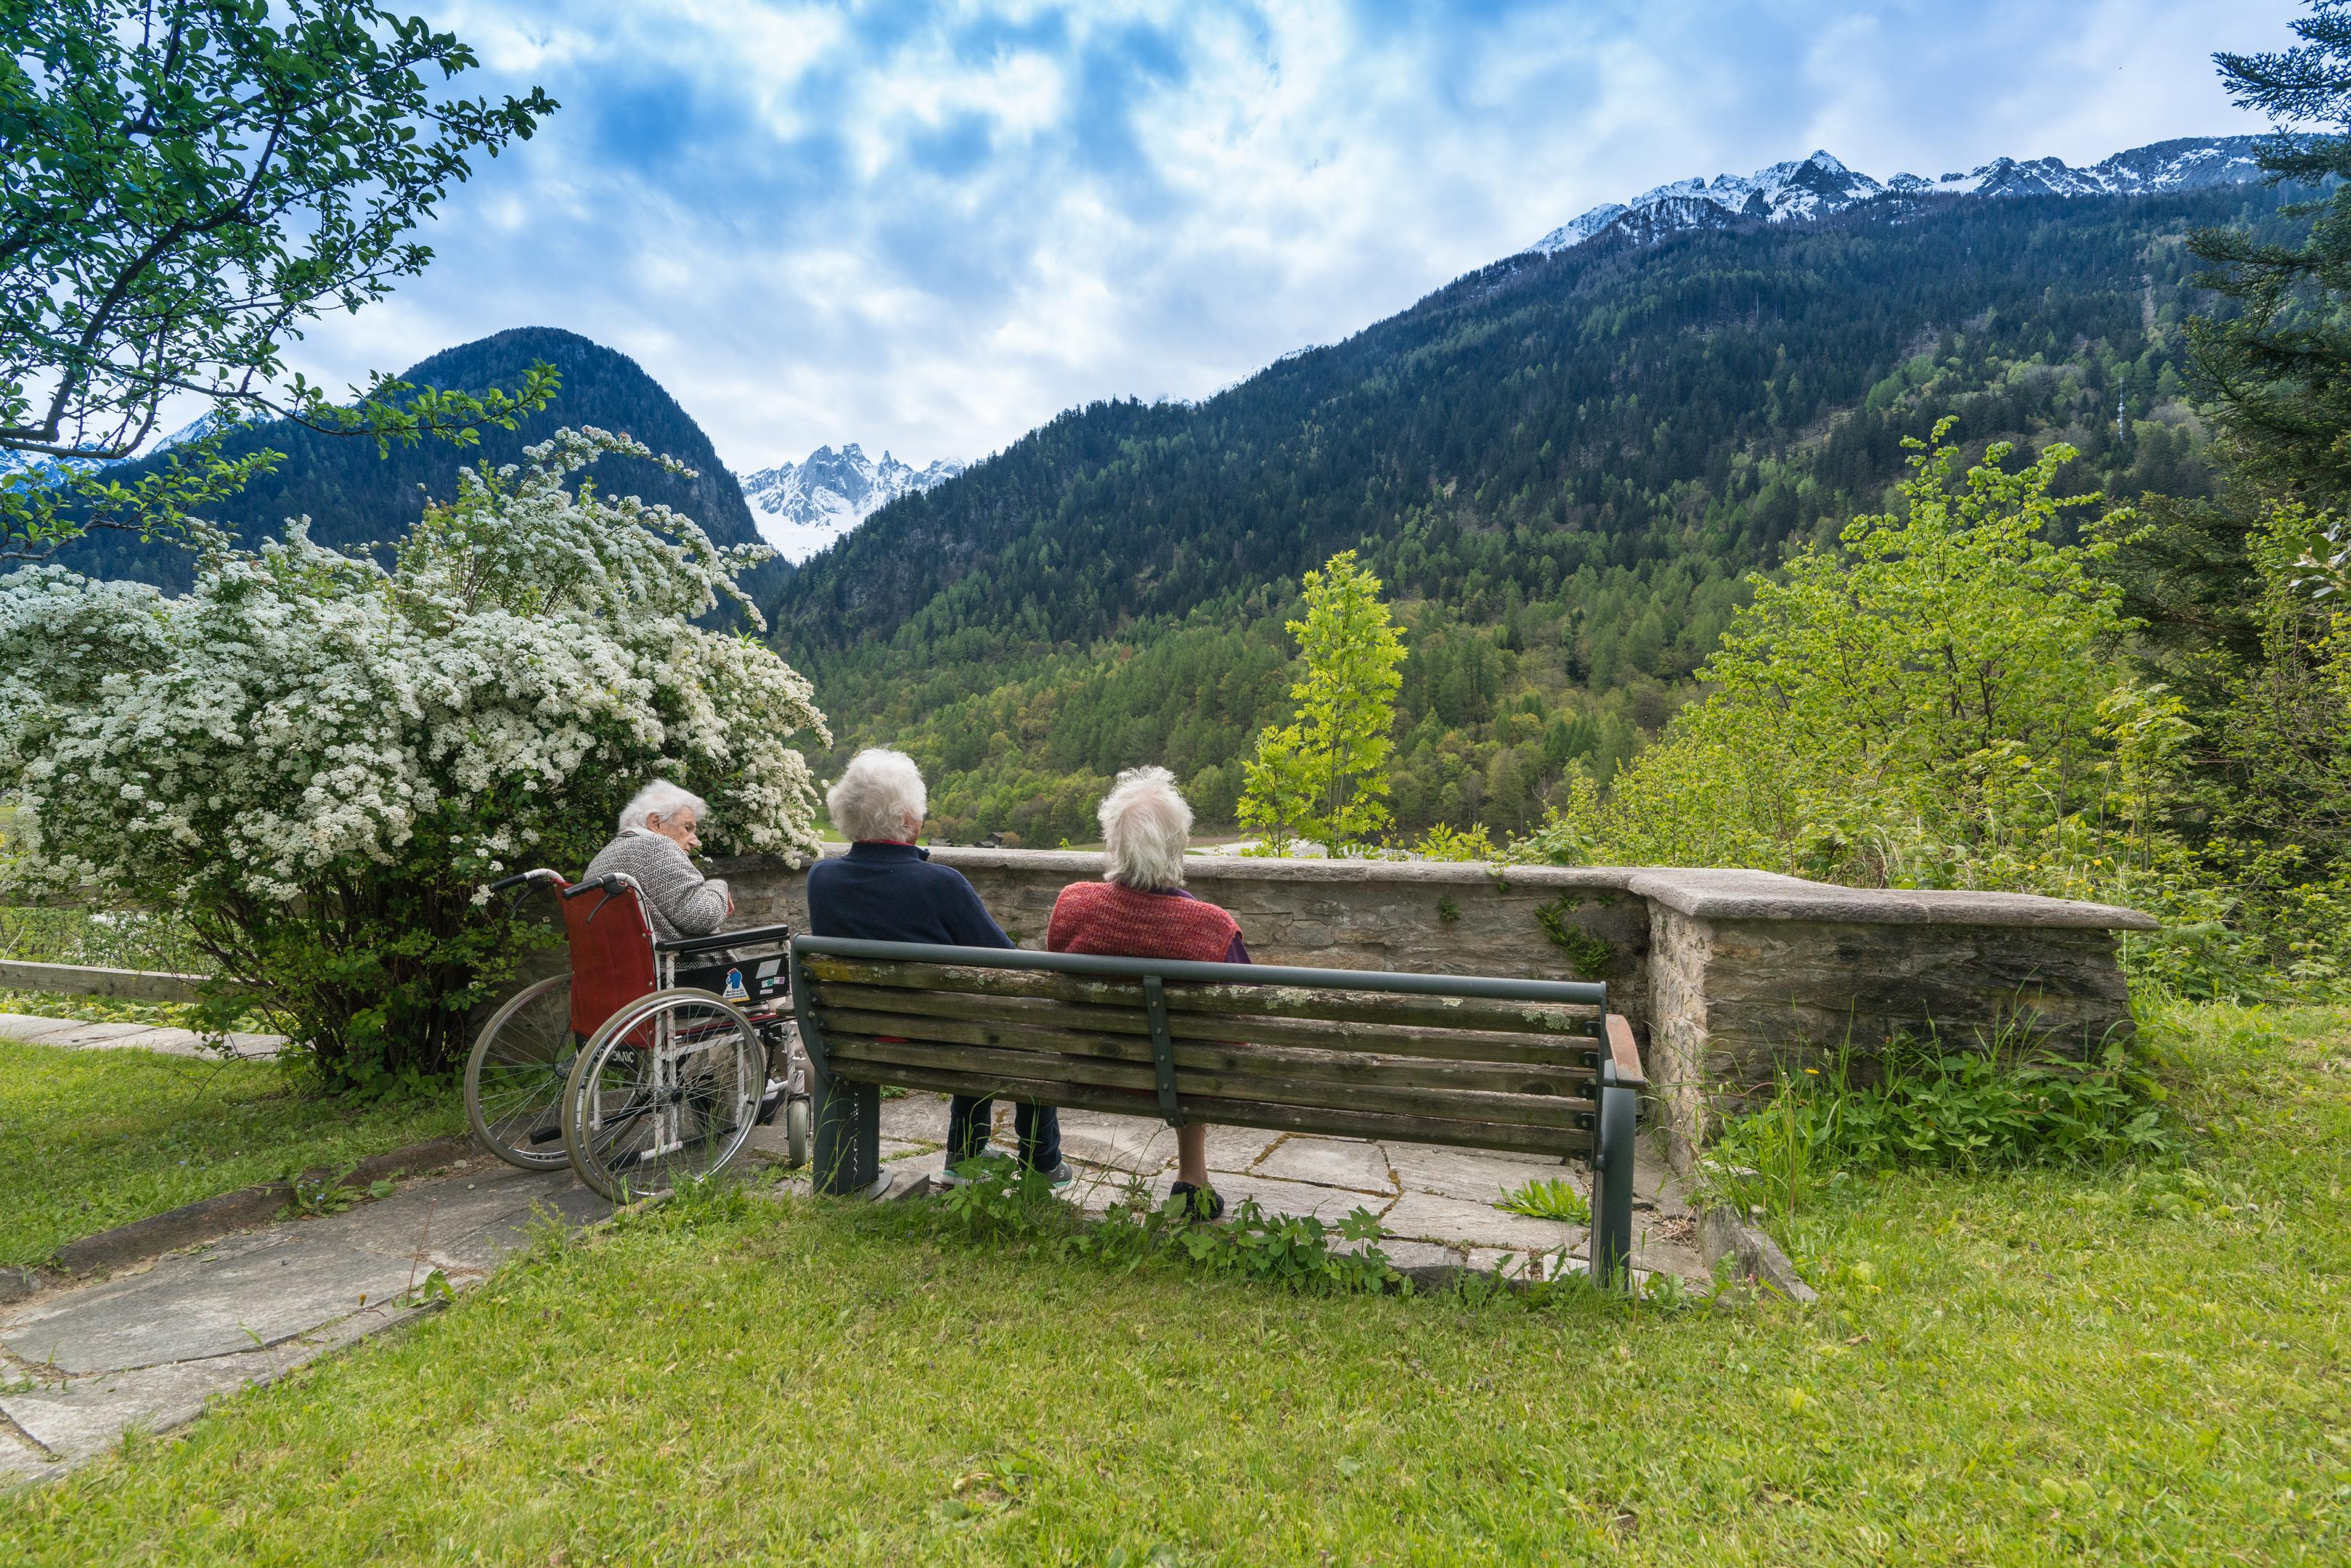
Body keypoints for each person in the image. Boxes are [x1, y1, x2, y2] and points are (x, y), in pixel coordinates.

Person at [804, 748, 1071, 1187]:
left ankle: (967, 1157)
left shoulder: (822, 880)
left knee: (965, 1017)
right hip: (939, 1042)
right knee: (1009, 1026)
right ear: (908, 821)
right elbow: (1008, 962)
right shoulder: (941, 884)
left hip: (853, 1037)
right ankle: (1037, 1163)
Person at [1046, 765, 1246, 1220]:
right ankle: (1192, 1182)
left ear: (1114, 844)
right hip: (1184, 1077)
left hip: (1093, 1065)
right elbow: (1240, 1025)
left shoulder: (1074, 906)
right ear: (1178, 845)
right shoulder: (1210, 927)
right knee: (1195, 1050)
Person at [582, 779, 735, 942]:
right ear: (656, 823)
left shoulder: (602, 858)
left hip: (625, 965)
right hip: (681, 965)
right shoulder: (656, 846)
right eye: (687, 828)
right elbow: (702, 917)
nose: (695, 842)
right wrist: (719, 885)